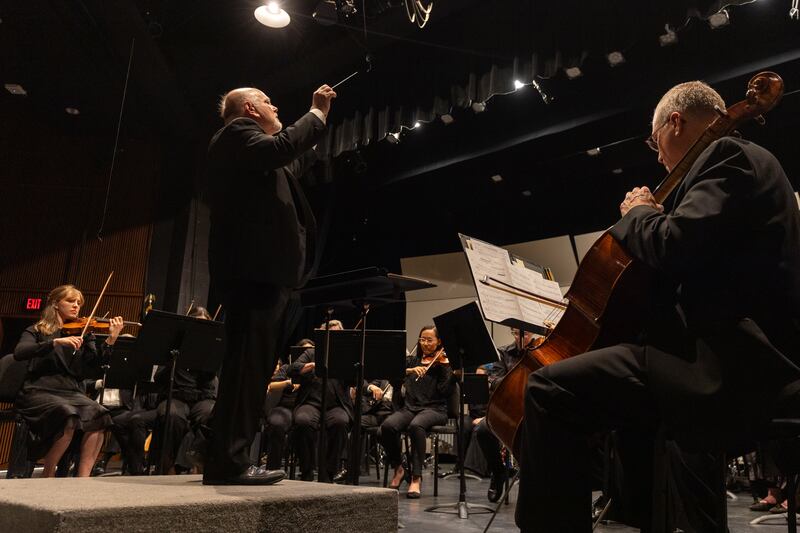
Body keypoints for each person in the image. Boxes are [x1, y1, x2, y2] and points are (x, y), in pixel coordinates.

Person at [515, 80, 800, 532]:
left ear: (675, 122)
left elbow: (674, 245)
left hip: (725, 366)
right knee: (625, 416)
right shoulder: (748, 165)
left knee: (549, 391)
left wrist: (639, 213)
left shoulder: (728, 155)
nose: (659, 155)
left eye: (655, 142)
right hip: (728, 359)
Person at [203, 84, 336, 485]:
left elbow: (286, 158)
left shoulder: (258, 156)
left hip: (265, 275)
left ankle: (228, 456)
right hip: (252, 273)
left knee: (251, 368)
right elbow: (281, 148)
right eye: (267, 100)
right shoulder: (238, 133)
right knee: (246, 368)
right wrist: (316, 114)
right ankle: (229, 461)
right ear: (249, 108)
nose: (275, 105)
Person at [13, 284, 124, 477]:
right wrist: (54, 342)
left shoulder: (83, 332)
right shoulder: (37, 330)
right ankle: (48, 474)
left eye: (78, 303)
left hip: (70, 391)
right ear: (56, 304)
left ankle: (82, 479)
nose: (76, 306)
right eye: (70, 301)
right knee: (69, 414)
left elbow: (95, 367)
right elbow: (19, 353)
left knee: (101, 415)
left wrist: (111, 340)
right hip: (39, 390)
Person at [381, 325, 456, 498]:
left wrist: (452, 374)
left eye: (430, 340)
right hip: (410, 408)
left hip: (435, 409)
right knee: (388, 426)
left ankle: (416, 477)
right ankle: (398, 467)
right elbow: (392, 375)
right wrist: (409, 370)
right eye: (422, 339)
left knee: (416, 426)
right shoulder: (411, 362)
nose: (425, 343)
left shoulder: (443, 364)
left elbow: (445, 392)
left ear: (439, 342)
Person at [151, 306, 218, 474]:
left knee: (209, 414)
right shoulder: (174, 345)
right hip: (176, 397)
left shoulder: (213, 346)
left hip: (202, 398)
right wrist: (173, 359)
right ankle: (170, 467)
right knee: (172, 416)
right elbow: (158, 378)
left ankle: (196, 461)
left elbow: (210, 382)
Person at [289, 321, 352, 482]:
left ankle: (329, 473)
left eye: (337, 334)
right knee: (302, 421)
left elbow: (355, 379)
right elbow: (294, 368)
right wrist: (310, 366)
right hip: (311, 403)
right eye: (329, 335)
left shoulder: (346, 354)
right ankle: (307, 470)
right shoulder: (311, 352)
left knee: (340, 422)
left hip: (336, 405)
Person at [263, 338, 313, 470]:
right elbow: (271, 385)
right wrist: (288, 382)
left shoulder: (316, 371)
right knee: (276, 423)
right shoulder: (286, 368)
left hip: (307, 407)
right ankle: (272, 469)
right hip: (286, 407)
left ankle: (307, 470)